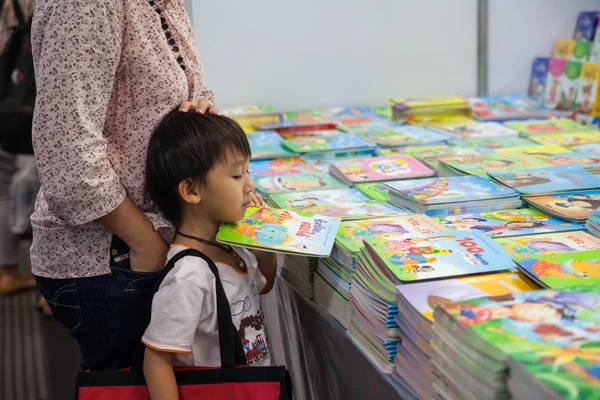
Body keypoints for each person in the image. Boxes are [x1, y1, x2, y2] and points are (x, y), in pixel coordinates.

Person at [31, 0, 217, 371]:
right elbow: (67, 152)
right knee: (126, 385)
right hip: (109, 253)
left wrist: (198, 113)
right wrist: (144, 242)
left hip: (141, 245)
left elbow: (179, 90)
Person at [142, 111, 277, 399]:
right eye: (237, 174)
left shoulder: (230, 247)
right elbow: (156, 360)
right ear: (191, 190)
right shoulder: (188, 277)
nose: (250, 185)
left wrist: (263, 246)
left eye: (248, 172)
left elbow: (264, 285)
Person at [0, 0, 39, 296]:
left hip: (4, 110)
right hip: (29, 114)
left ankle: (8, 271)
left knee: (2, 196)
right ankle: (49, 293)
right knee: (44, 200)